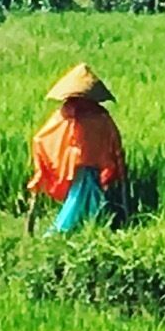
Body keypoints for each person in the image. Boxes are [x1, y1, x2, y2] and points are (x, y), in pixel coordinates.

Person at [27, 62, 128, 231]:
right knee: (87, 195)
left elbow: (43, 137)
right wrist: (116, 160)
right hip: (91, 164)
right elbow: (113, 139)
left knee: (82, 195)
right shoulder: (99, 115)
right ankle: (89, 225)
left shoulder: (66, 113)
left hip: (76, 164)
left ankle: (86, 225)